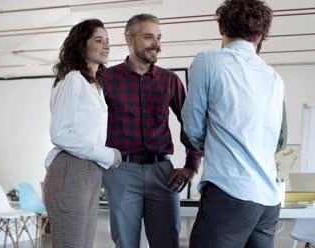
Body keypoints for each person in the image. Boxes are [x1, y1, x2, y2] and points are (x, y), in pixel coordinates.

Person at [182, 0, 287, 248]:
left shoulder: (208, 62)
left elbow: (192, 122)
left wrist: (205, 146)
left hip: (230, 192)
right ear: (260, 36)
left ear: (221, 28)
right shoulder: (274, 77)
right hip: (268, 200)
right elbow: (279, 140)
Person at [103, 13, 201, 248]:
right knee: (126, 243)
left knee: (167, 242)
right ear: (129, 39)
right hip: (121, 171)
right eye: (148, 37)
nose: (156, 44)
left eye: (158, 37)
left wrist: (191, 166)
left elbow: (192, 124)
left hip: (162, 173)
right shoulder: (107, 79)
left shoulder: (169, 80)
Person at [43, 19, 122, 248]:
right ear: (81, 45)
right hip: (70, 171)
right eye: (98, 40)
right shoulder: (72, 79)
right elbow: (60, 134)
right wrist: (107, 154)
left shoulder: (94, 86)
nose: (106, 46)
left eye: (107, 41)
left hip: (89, 172)